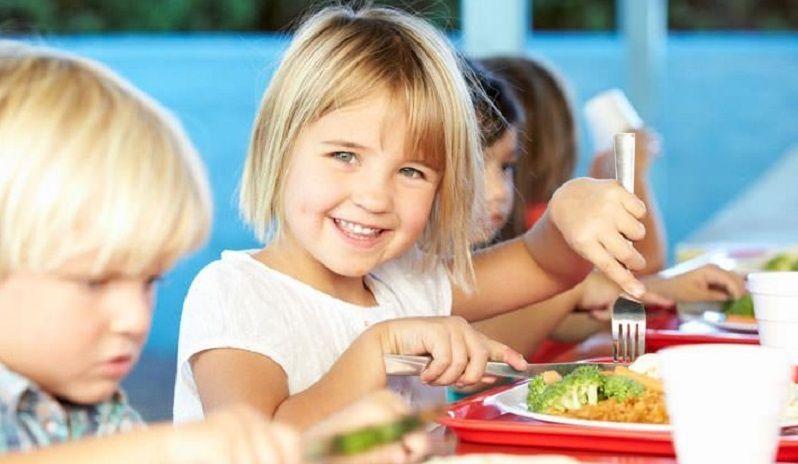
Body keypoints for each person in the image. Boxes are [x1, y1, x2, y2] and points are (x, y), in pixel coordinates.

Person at [175, 5, 654, 430]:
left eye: (411, 171)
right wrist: (379, 348)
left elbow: (543, 264)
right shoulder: (236, 294)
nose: (375, 198)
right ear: (278, 150)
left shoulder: (407, 282)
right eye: (345, 155)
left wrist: (568, 210)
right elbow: (260, 443)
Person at [0, 41, 424, 464]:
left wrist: (318, 448)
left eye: (149, 281)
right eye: (94, 282)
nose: (134, 319)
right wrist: (168, 450)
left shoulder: (94, 412)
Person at [469, 57, 745, 359]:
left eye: (506, 167)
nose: (497, 191)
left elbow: (556, 318)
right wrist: (628, 172)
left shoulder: (502, 249)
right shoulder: (538, 225)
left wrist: (658, 291)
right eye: (471, 164)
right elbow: (499, 335)